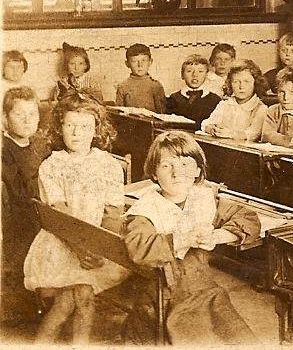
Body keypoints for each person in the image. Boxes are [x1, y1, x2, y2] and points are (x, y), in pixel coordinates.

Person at [122, 131, 259, 344]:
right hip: (163, 298)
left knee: (242, 340)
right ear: (155, 173)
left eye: (185, 164)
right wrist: (183, 238)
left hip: (206, 291)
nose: (177, 173)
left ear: (197, 171)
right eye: (167, 166)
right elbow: (139, 247)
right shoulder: (146, 209)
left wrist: (217, 236)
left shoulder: (203, 197)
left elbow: (247, 217)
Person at [23, 91, 129, 344]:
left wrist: (101, 248)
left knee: (72, 302)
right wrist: (81, 248)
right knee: (80, 298)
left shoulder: (109, 165)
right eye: (69, 125)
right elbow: (59, 213)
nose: (76, 132)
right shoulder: (52, 165)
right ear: (60, 127)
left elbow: (113, 211)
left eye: (84, 126)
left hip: (98, 246)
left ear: (96, 129)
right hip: (63, 243)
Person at [1, 86, 45, 325]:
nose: (28, 120)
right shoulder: (5, 150)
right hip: (19, 220)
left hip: (40, 211)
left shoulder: (39, 143)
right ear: (5, 119)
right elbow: (18, 192)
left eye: (33, 114)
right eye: (20, 114)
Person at [201, 59, 268, 141]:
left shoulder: (260, 108)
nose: (241, 86)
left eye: (246, 81)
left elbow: (253, 134)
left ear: (255, 83)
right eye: (236, 82)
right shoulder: (224, 104)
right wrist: (211, 128)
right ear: (230, 84)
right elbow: (206, 123)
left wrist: (230, 134)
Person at [166, 55, 221, 127]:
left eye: (200, 71)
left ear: (206, 75)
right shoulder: (173, 98)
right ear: (182, 75)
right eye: (189, 71)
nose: (195, 75)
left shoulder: (215, 100)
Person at [115, 43, 166, 113]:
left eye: (143, 61)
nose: (140, 65)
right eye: (134, 61)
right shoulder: (123, 87)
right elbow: (119, 113)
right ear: (127, 64)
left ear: (150, 62)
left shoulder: (156, 86)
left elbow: (162, 113)